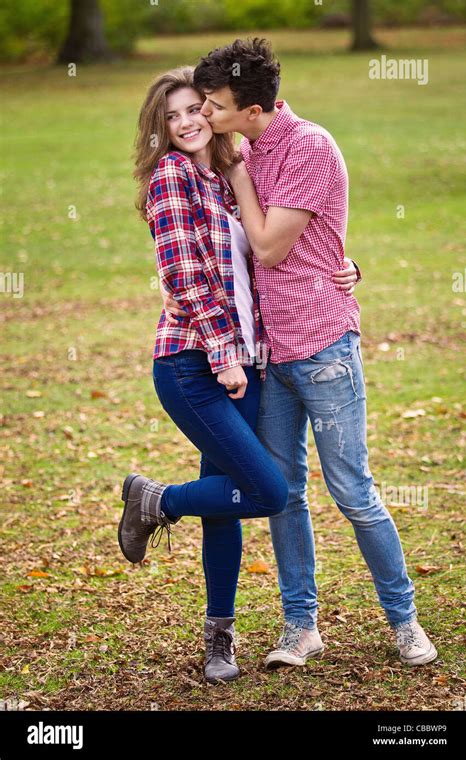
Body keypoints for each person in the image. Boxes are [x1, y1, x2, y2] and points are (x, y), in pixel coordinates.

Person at [162, 38, 437, 669]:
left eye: (216, 104)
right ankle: (300, 624)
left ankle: (404, 621)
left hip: (322, 348)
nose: (204, 112)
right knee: (283, 491)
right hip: (269, 354)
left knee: (352, 489)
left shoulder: (308, 146)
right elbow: (211, 245)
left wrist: (344, 264)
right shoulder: (248, 147)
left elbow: (268, 247)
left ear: (253, 109)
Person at [118, 65, 361, 684]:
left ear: (214, 110)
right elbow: (183, 277)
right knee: (267, 492)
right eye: (171, 117)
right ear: (160, 131)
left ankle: (218, 637)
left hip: (247, 363)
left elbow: (275, 246)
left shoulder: (227, 176)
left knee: (225, 503)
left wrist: (345, 266)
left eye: (195, 107)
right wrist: (223, 353)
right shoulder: (173, 176)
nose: (187, 121)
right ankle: (156, 499)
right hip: (193, 366)